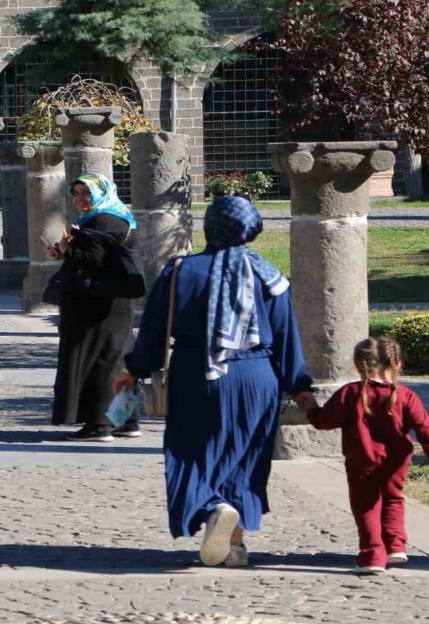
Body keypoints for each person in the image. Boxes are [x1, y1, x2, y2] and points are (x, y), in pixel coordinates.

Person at [113, 195, 312, 566]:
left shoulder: (179, 272)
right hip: (257, 378)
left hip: (197, 373)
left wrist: (133, 371)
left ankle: (213, 506)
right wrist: (301, 388)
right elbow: (287, 337)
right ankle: (233, 546)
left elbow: (154, 332)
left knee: (192, 453)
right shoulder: (269, 275)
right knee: (244, 459)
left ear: (210, 227)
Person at [303, 337, 429, 574]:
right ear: (397, 364)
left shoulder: (350, 393)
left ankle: (372, 554)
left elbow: (324, 422)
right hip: (397, 462)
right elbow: (425, 426)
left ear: (359, 364)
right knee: (393, 499)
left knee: (366, 506)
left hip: (361, 460)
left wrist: (309, 406)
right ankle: (395, 546)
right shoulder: (405, 395)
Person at [50, 173, 146, 442]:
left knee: (96, 363)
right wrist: (64, 251)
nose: (80, 198)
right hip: (112, 303)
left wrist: (66, 249)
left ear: (101, 192)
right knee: (115, 361)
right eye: (77, 192)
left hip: (94, 306)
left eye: (86, 192)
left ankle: (99, 425)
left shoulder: (101, 220)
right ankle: (127, 420)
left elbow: (93, 260)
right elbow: (106, 257)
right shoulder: (118, 217)